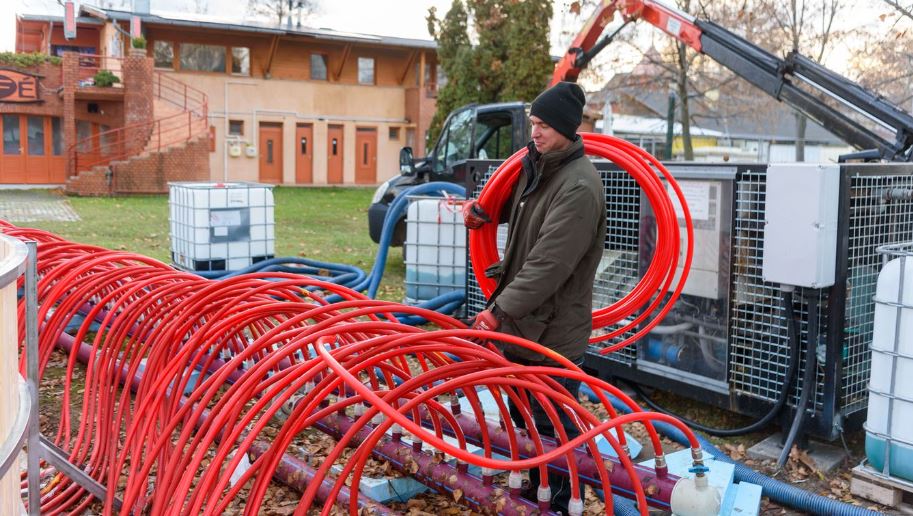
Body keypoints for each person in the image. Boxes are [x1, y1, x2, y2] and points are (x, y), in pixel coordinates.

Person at [462, 81, 607, 514]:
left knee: (553, 430)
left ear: (565, 126)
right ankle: (528, 494)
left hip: (552, 334)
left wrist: (498, 311)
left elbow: (549, 263)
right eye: (534, 124)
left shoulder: (580, 186)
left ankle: (561, 503)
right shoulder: (540, 164)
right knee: (522, 418)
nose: (535, 132)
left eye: (543, 125)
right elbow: (526, 206)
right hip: (526, 325)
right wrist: (487, 212)